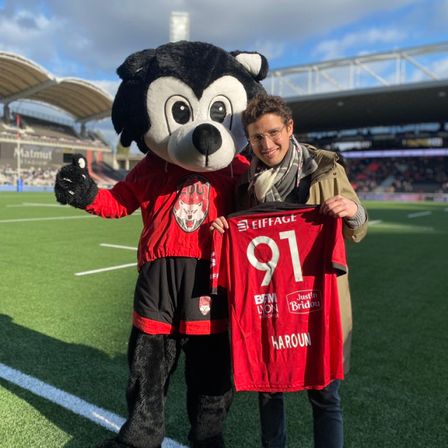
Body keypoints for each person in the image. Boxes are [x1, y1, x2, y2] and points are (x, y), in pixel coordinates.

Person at [210, 94, 368, 448]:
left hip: (320, 302)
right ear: (248, 140)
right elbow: (240, 235)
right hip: (270, 306)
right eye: (257, 138)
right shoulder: (246, 185)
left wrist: (351, 210)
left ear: (290, 128)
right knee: (270, 391)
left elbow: (359, 226)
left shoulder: (325, 168)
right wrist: (225, 229)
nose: (267, 144)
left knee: (325, 394)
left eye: (273, 133)